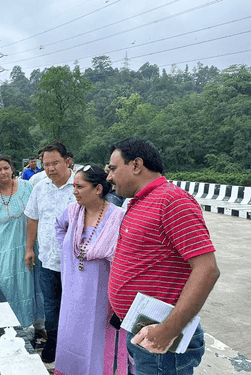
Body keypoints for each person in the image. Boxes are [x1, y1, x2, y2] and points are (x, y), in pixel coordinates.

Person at [106, 137, 220, 375]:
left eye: (114, 169)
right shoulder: (139, 202)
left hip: (162, 339)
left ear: (136, 165)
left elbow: (207, 269)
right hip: (142, 328)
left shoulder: (172, 201)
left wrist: (169, 329)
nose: (109, 177)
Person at [54, 166, 129, 375]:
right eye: (74, 186)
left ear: (97, 189)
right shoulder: (72, 211)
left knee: (97, 343)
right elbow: (58, 227)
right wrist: (69, 250)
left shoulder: (118, 218)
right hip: (72, 291)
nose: (74, 191)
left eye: (80, 186)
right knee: (72, 337)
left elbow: (124, 258)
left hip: (102, 298)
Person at [24, 141, 76, 363]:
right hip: (48, 259)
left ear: (67, 161)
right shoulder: (39, 188)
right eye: (46, 164)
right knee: (51, 304)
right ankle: (53, 342)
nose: (50, 168)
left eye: (55, 163)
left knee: (74, 303)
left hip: (77, 262)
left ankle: (74, 346)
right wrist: (29, 249)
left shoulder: (81, 186)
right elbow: (33, 219)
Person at [0, 154, 45, 332]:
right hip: (6, 251)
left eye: (6, 168)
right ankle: (17, 329)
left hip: (32, 247)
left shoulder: (28, 187)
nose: (3, 172)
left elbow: (40, 214)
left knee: (35, 285)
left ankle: (40, 326)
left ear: (12, 168)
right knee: (11, 288)